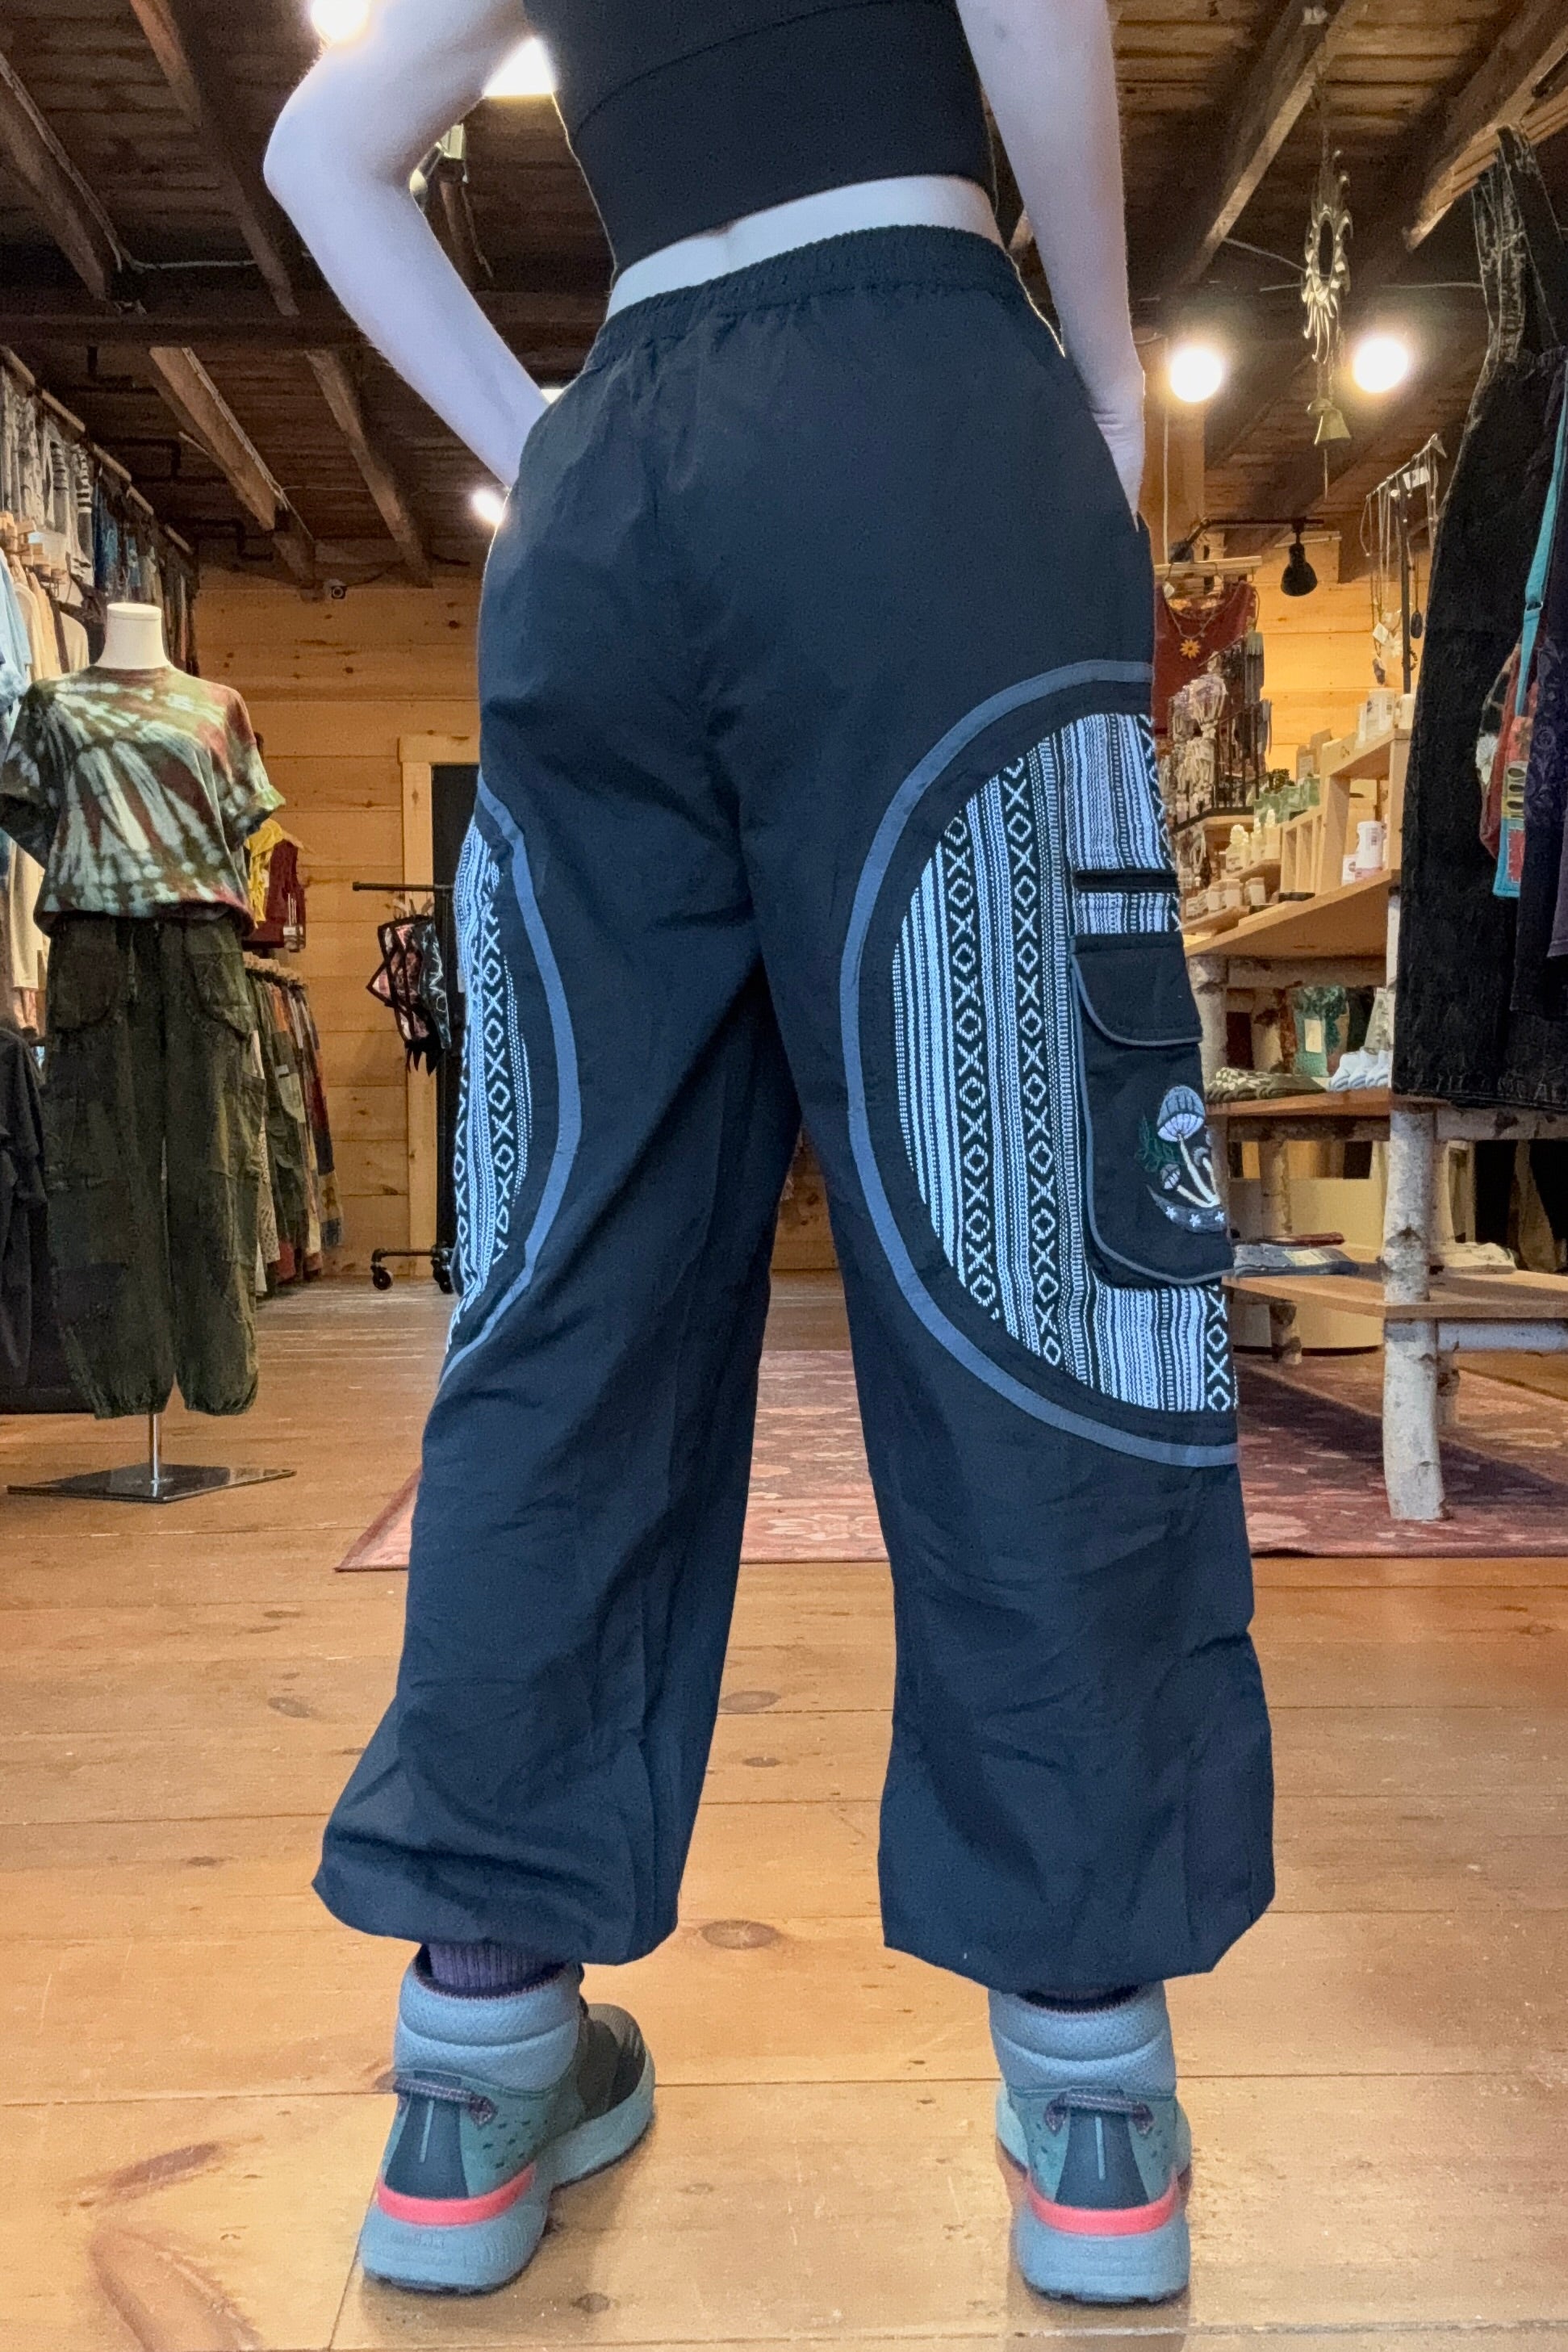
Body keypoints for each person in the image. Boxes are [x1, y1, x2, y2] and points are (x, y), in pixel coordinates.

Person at [266, 0, 1273, 2307]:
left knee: (568, 1277)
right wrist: (1099, 370)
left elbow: (327, 151)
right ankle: (1091, 2095)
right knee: (1041, 1247)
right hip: (926, 411)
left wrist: (550, 436)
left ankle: (473, 2059)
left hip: (608, 503)